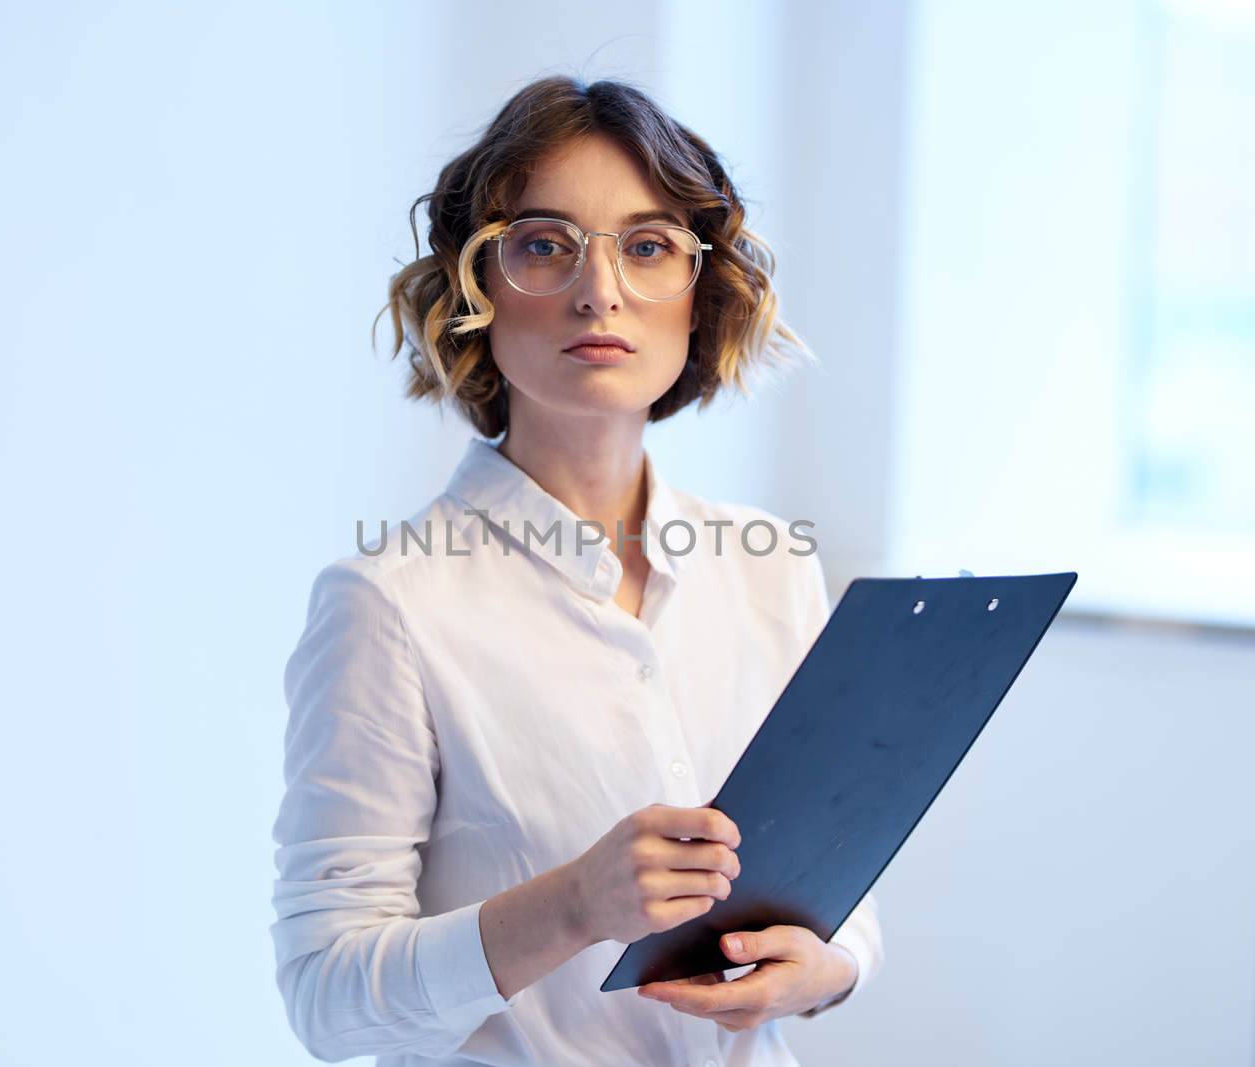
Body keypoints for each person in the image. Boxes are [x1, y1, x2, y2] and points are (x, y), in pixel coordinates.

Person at [270, 75, 883, 1066]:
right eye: (544, 245)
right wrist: (573, 902)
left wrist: (828, 968)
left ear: (701, 292)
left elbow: (839, 902)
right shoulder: (387, 604)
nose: (599, 290)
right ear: (475, 293)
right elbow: (327, 999)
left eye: (646, 247)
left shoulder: (770, 571)